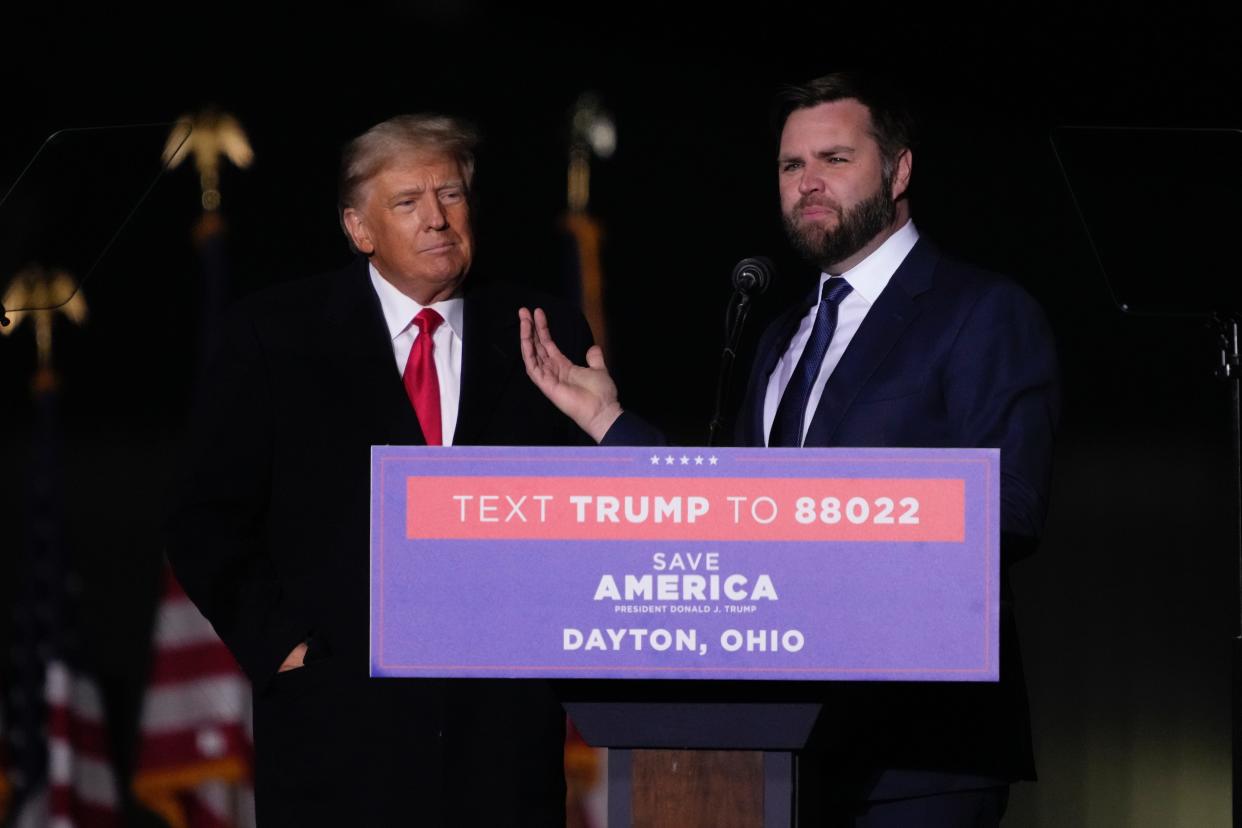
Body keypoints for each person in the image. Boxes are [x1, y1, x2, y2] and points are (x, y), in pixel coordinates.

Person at [520, 72, 1059, 826]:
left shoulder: (981, 311)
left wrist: (832, 524)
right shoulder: (779, 335)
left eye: (834, 160)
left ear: (899, 171)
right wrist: (613, 424)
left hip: (921, 756)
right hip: (777, 752)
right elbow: (737, 512)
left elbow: (1009, 509)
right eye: (790, 166)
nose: (808, 183)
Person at [170, 114, 592, 825]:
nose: (436, 218)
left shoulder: (543, 330)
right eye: (408, 202)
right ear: (358, 228)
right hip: (337, 745)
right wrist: (286, 652)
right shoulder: (276, 336)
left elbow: (591, 514)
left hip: (501, 749)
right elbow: (203, 522)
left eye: (451, 195)